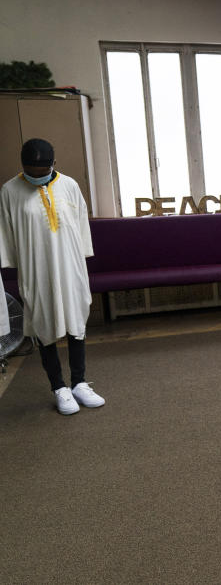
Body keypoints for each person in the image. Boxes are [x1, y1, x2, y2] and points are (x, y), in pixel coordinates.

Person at [0, 139, 104, 415]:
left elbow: (81, 225)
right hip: (37, 270)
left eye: (42, 170)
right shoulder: (9, 191)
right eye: (31, 171)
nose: (37, 175)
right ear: (23, 166)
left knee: (76, 321)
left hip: (70, 266)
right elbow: (7, 233)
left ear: (53, 165)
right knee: (44, 325)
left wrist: (80, 256)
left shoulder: (69, 185)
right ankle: (59, 387)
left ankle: (80, 383)